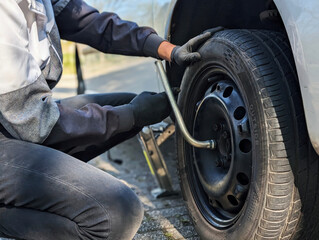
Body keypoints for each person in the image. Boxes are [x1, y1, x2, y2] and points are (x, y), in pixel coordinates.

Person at [0, 0, 222, 239]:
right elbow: (36, 122)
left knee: (124, 104)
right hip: (17, 126)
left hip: (17, 120)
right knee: (117, 212)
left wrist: (169, 50)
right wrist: (132, 114)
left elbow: (96, 25)